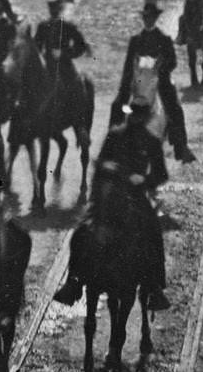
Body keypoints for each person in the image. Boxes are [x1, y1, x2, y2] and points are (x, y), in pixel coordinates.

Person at [57, 100, 171, 309]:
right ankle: (73, 281)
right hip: (109, 195)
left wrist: (143, 180)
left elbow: (161, 174)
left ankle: (154, 286)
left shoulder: (151, 141)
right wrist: (105, 169)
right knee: (81, 231)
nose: (134, 118)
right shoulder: (115, 135)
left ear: (144, 118)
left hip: (135, 196)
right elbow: (99, 163)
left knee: (153, 231)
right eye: (132, 114)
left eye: (138, 115)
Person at [112, 0, 196, 166]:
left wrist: (159, 69)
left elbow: (173, 62)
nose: (148, 20)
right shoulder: (135, 40)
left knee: (175, 108)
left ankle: (182, 147)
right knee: (116, 106)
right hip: (138, 81)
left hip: (158, 80)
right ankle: (112, 145)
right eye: (146, 17)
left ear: (156, 18)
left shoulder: (164, 39)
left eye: (151, 17)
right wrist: (125, 86)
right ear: (143, 19)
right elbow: (128, 65)